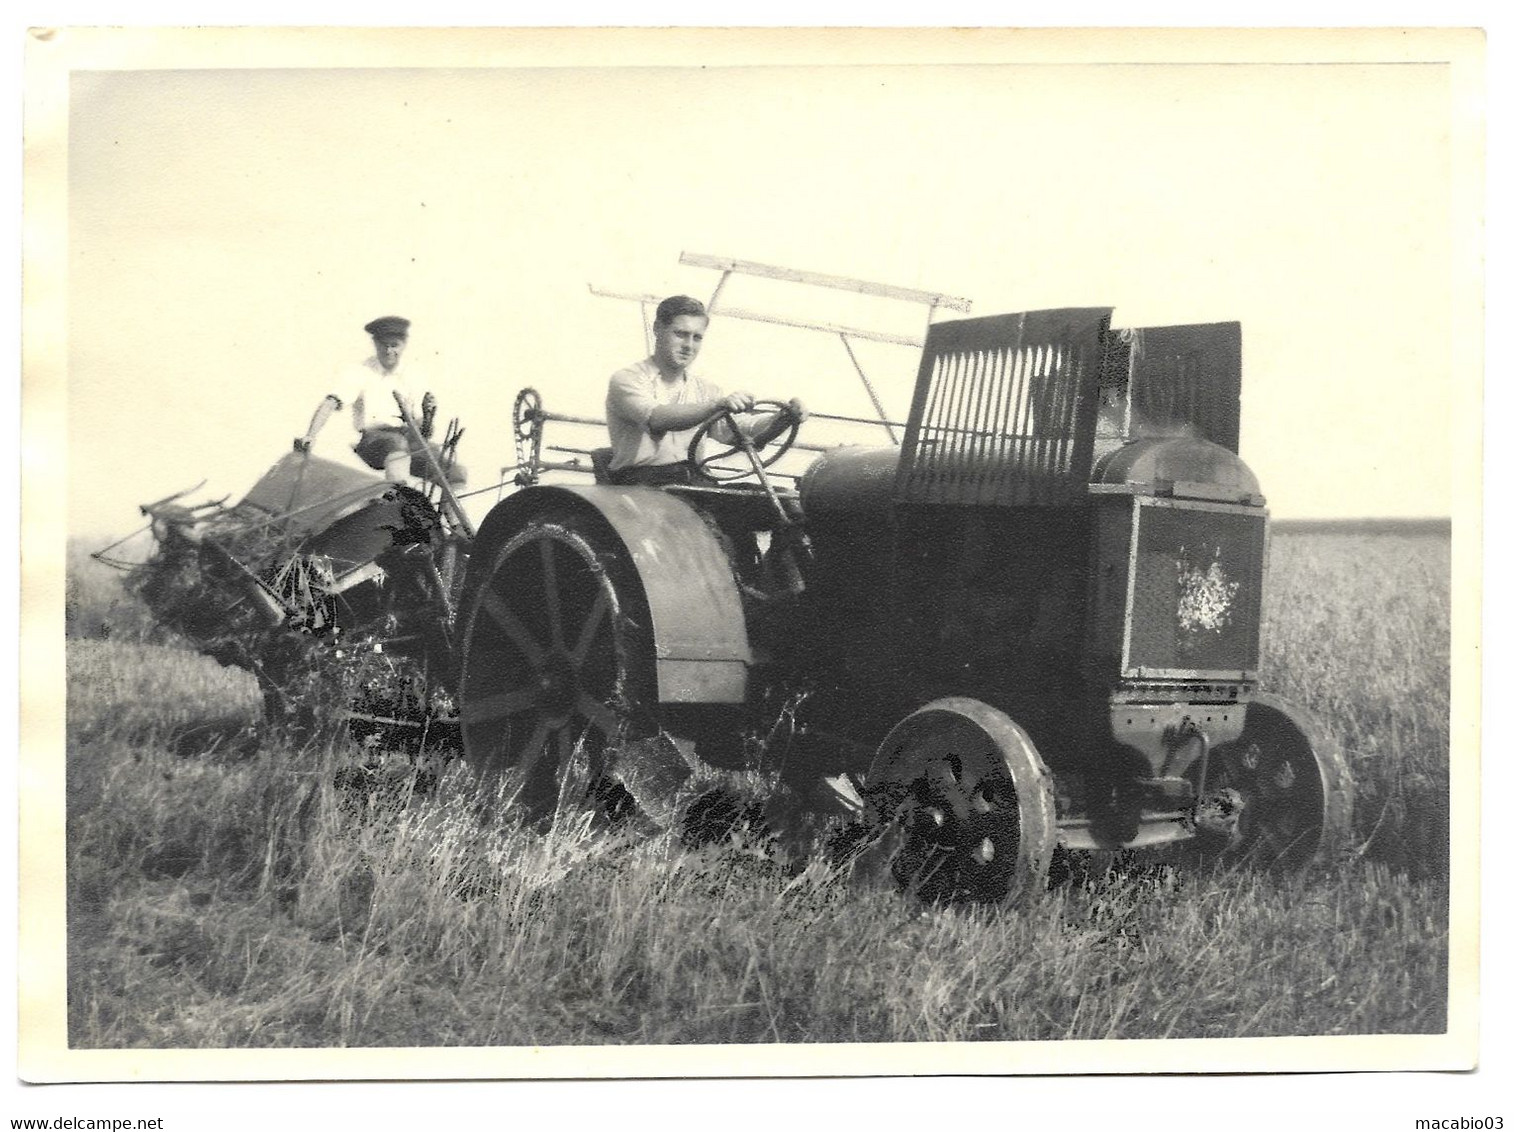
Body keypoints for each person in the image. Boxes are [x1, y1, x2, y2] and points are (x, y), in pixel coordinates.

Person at [605, 295, 806, 487]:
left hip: (692, 480)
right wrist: (716, 405)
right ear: (657, 329)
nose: (688, 346)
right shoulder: (628, 379)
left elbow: (740, 431)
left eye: (697, 338)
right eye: (680, 334)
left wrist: (783, 419)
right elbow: (657, 418)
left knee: (776, 506)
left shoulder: (706, 389)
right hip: (640, 484)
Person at [295, 315, 467, 487]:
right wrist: (311, 435)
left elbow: (424, 431)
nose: (389, 350)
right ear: (375, 344)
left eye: (394, 345)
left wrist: (429, 417)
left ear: (404, 344)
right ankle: (399, 502)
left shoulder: (414, 374)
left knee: (455, 472)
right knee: (397, 445)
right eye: (384, 345)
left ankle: (448, 514)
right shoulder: (360, 372)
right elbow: (330, 403)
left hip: (410, 438)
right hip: (375, 440)